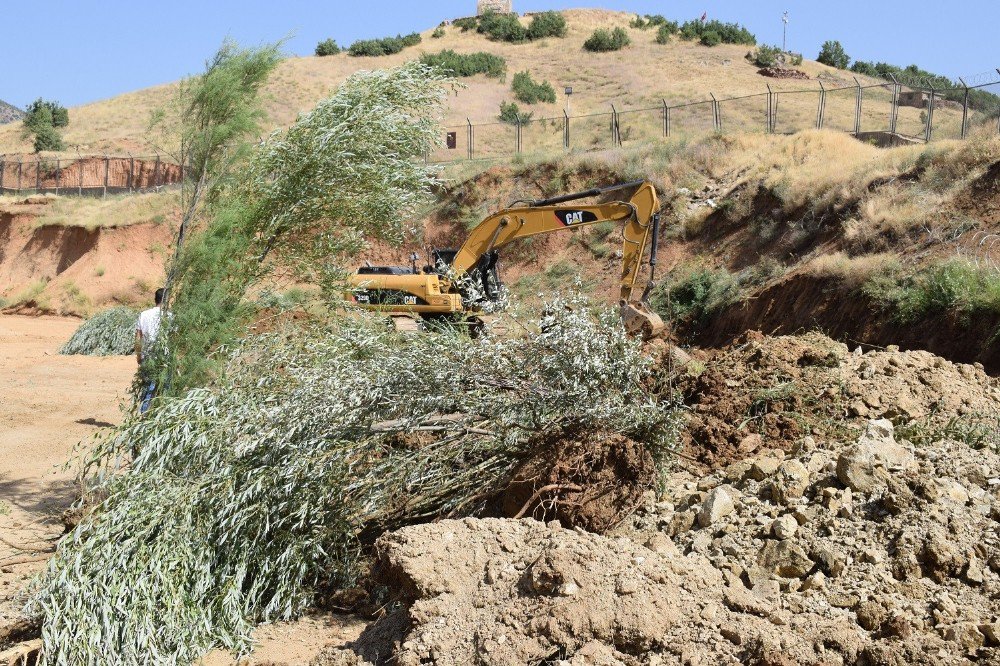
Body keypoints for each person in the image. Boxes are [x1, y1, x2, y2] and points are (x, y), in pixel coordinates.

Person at [135, 288, 165, 413]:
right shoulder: (170, 316)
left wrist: (138, 355)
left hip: (148, 357)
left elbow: (138, 338)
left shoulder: (144, 315)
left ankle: (143, 416)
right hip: (165, 358)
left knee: (148, 388)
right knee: (164, 389)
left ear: (155, 299)